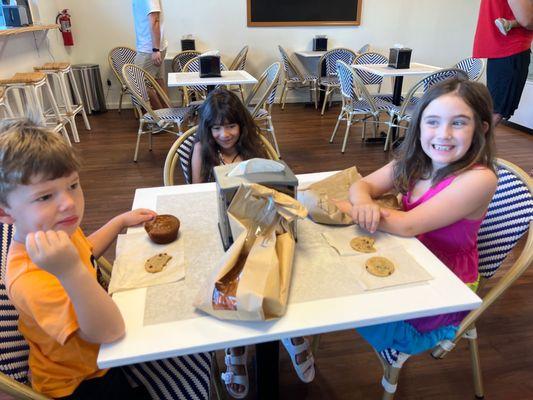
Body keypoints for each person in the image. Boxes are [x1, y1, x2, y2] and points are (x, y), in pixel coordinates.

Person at [337, 78, 498, 357]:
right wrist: (363, 202)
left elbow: (408, 225)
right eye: (432, 121)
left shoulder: (480, 179)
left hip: (445, 282)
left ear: (481, 130)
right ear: (419, 125)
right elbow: (361, 185)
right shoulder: (415, 162)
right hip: (410, 256)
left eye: (458, 123)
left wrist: (347, 208)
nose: (443, 134)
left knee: (346, 297)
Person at [0, 119, 157, 399]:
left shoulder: (54, 231)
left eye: (73, 185)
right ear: (5, 214)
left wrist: (119, 222)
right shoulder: (30, 279)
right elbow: (109, 331)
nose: (69, 202)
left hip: (101, 358)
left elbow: (86, 250)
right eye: (45, 196)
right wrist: (71, 271)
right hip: (79, 382)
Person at [190, 88, 316, 399]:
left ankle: (288, 333)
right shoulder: (201, 151)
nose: (224, 134)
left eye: (230, 126)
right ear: (207, 129)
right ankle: (237, 348)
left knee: (278, 272)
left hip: (257, 225)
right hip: (224, 230)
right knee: (229, 282)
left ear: (242, 126)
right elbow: (195, 194)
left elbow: (271, 190)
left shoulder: (254, 150)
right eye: (216, 128)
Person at [473, 0, 533, 126]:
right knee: (496, 112)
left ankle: (475, 143)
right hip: (511, 50)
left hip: (502, 49)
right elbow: (527, 20)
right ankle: (474, 145)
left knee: (493, 108)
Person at [132, 0, 168, 109]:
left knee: (136, 83)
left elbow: (155, 20)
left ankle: (161, 120)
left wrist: (155, 49)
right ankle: (169, 117)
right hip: (151, 48)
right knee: (158, 82)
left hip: (149, 49)